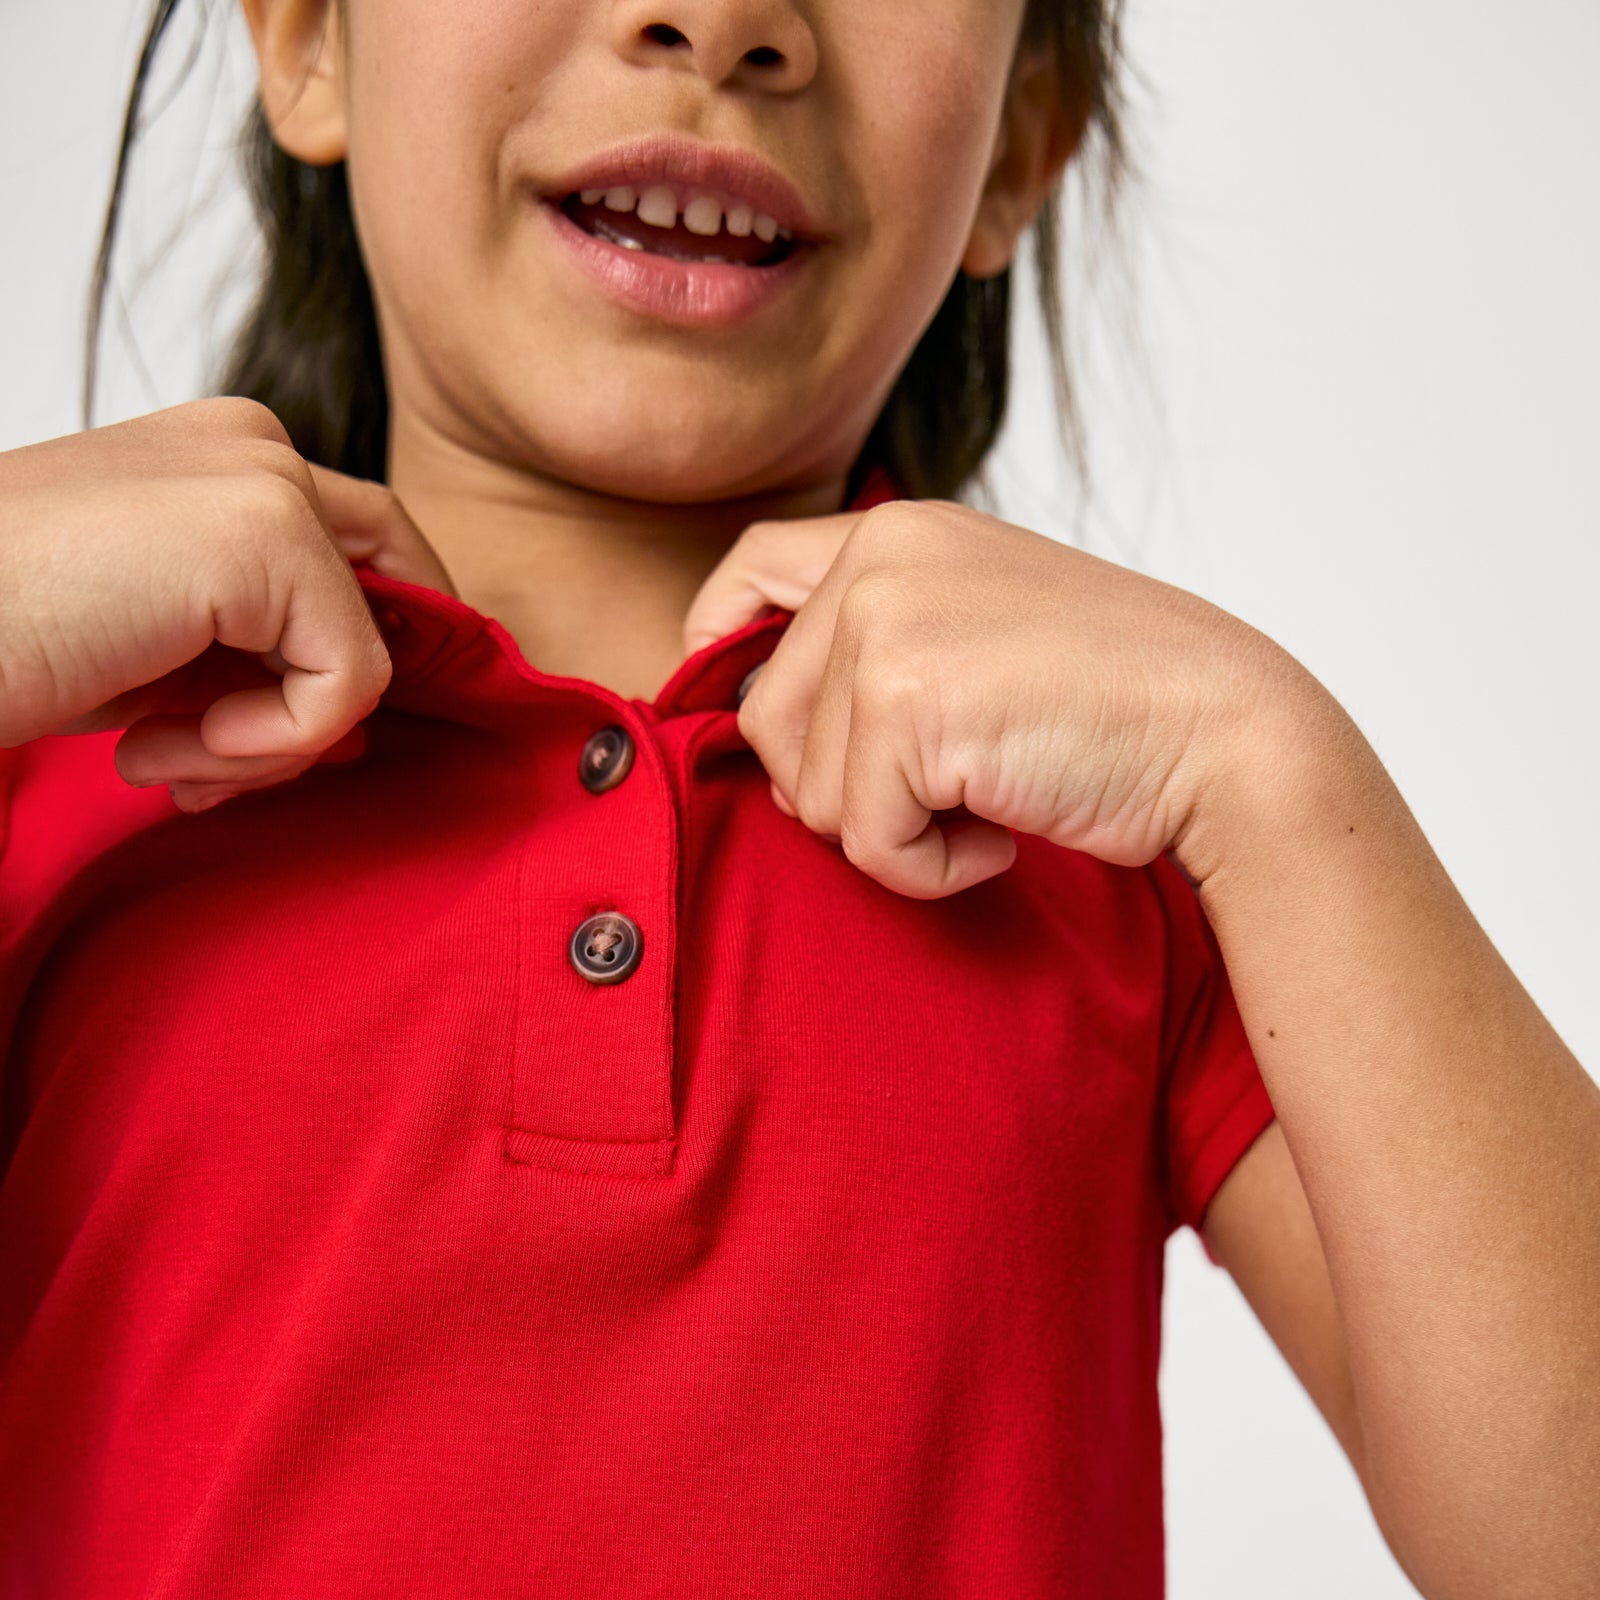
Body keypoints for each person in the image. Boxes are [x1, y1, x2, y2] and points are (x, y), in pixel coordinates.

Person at [0, 1, 1595, 1595]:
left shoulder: (1147, 835)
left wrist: (1261, 758)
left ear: (1019, 145)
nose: (723, 16)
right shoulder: (51, 758)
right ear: (302, 44)